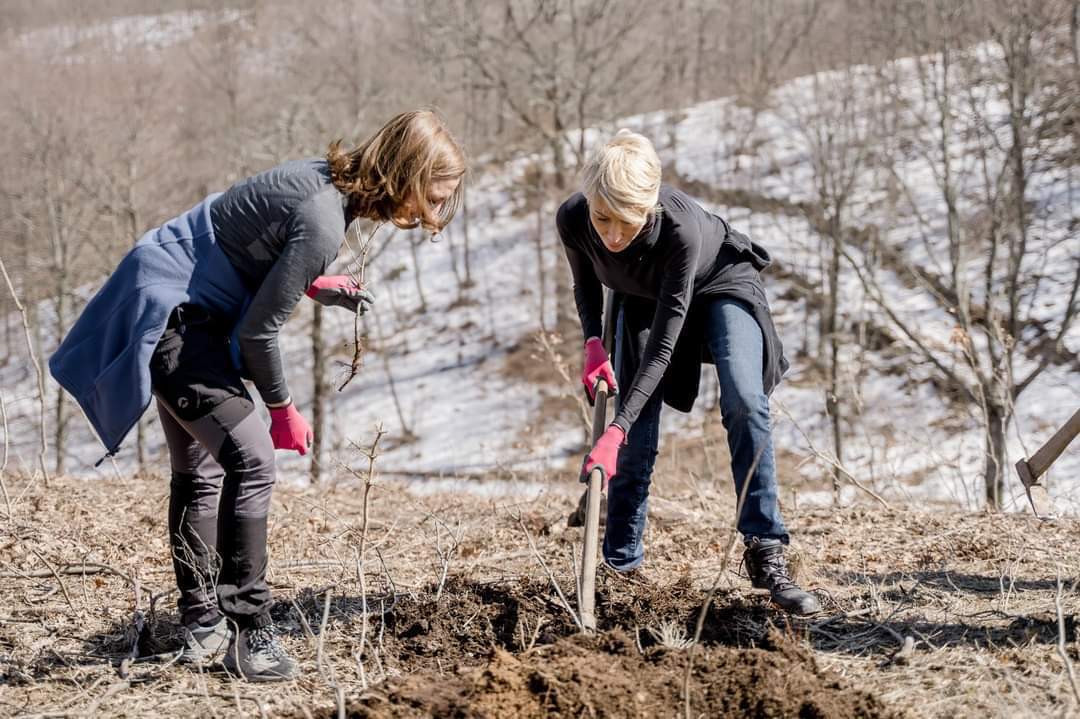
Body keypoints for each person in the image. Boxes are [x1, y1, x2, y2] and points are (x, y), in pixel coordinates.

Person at [50, 110, 466, 680]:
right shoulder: (324, 221)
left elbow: (247, 233)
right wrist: (280, 409)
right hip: (176, 316)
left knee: (201, 473)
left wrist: (309, 282)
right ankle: (252, 634)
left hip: (172, 292)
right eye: (430, 197)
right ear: (404, 176)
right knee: (253, 458)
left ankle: (201, 625)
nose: (430, 213)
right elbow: (257, 335)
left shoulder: (323, 177)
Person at [557, 129, 819, 615]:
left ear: (649, 208)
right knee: (636, 436)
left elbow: (663, 348)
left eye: (628, 222)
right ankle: (621, 565)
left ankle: (766, 550)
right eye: (603, 218)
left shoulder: (679, 230)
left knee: (744, 399)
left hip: (719, 286)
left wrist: (613, 428)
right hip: (640, 300)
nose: (613, 235)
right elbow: (586, 284)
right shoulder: (573, 217)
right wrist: (593, 342)